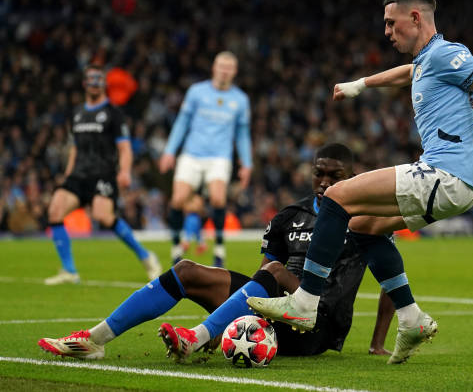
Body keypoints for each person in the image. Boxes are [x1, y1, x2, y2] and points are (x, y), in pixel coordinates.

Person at [246, 0, 473, 365]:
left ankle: (305, 301)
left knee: (336, 196)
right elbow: (407, 73)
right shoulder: (429, 60)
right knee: (363, 225)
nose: (386, 31)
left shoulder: (445, 54)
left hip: (446, 173)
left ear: (415, 18)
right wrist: (359, 85)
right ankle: (411, 317)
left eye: (390, 22)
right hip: (458, 183)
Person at [38, 143, 395, 361]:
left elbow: (389, 275)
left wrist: (377, 342)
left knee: (272, 271)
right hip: (278, 309)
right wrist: (230, 318)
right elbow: (260, 281)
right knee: (186, 270)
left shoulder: (364, 220)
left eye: (336, 175)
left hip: (318, 325)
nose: (326, 183)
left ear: (354, 176)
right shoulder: (289, 216)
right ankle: (95, 340)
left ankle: (197, 337)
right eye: (320, 174)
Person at [44, 65, 162, 285]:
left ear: (104, 84)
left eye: (99, 79)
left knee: (103, 216)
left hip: (103, 174)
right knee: (55, 210)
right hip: (79, 174)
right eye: (91, 79)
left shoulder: (113, 114)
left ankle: (146, 256)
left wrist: (125, 172)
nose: (95, 82)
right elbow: (75, 147)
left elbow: (124, 148)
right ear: (84, 83)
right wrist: (68, 176)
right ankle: (69, 271)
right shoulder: (77, 113)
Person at [159, 51, 252, 267]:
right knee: (177, 200)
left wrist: (246, 164)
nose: (224, 71)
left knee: (218, 199)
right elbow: (182, 122)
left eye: (229, 68)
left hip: (219, 157)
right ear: (214, 68)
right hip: (192, 154)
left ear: (234, 72)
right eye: (221, 66)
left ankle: (219, 249)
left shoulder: (240, 100)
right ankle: (176, 249)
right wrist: (170, 151)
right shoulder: (196, 92)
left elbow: (242, 134)